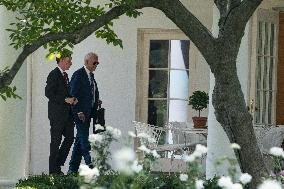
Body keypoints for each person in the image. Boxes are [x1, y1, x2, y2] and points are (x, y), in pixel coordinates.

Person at [68, 52, 101, 173]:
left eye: (97, 62)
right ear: (86, 62)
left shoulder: (91, 76)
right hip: (80, 114)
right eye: (94, 62)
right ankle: (90, 165)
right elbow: (72, 95)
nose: (96, 64)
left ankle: (72, 170)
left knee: (79, 142)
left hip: (88, 113)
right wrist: (78, 112)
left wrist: (96, 101)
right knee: (84, 140)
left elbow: (90, 93)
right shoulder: (79, 75)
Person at [45, 54, 77, 174]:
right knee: (56, 142)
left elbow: (64, 93)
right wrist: (64, 99)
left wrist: (72, 99)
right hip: (57, 115)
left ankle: (57, 163)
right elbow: (48, 93)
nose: (70, 64)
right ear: (62, 61)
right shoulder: (54, 74)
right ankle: (53, 171)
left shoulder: (65, 75)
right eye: (69, 61)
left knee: (70, 138)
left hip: (67, 115)